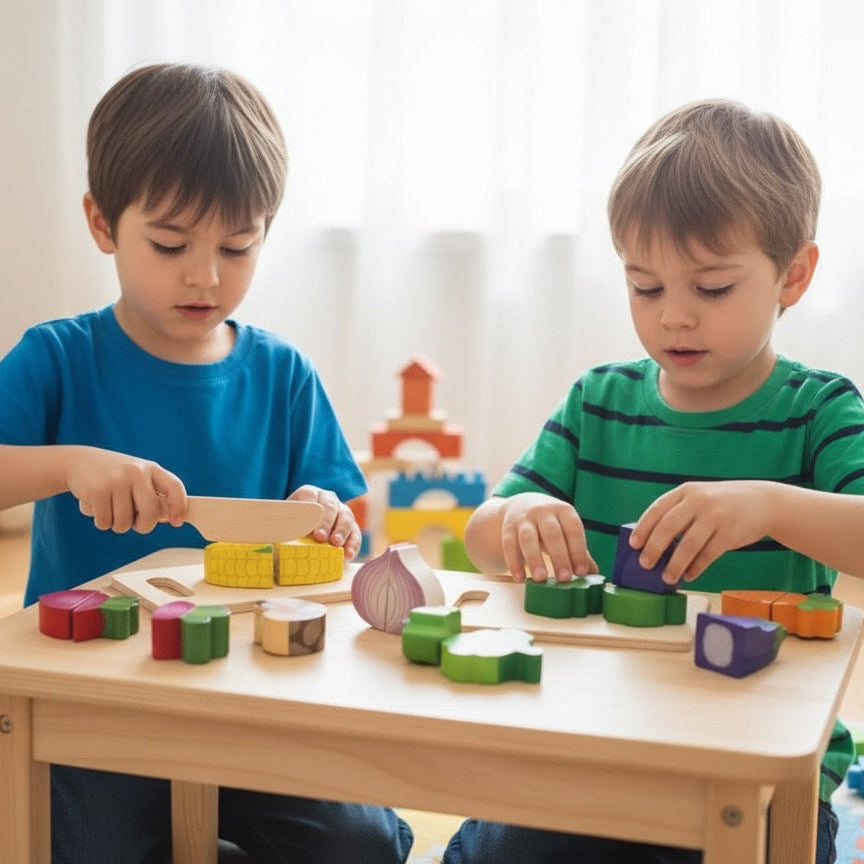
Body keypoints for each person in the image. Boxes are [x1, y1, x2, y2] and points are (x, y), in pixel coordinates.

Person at [0, 63, 412, 864]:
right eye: (168, 243)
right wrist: (69, 466)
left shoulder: (282, 373)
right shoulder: (59, 356)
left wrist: (325, 514)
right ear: (101, 222)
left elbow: (344, 524)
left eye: (237, 246)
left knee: (358, 845)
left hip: (252, 692)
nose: (205, 275)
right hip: (95, 700)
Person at [445, 99, 864, 864]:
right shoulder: (597, 401)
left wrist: (768, 505)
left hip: (759, 755)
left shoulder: (817, 410)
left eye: (710, 290)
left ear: (793, 275)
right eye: (645, 288)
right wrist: (522, 514)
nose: (675, 319)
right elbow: (480, 534)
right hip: (595, 743)